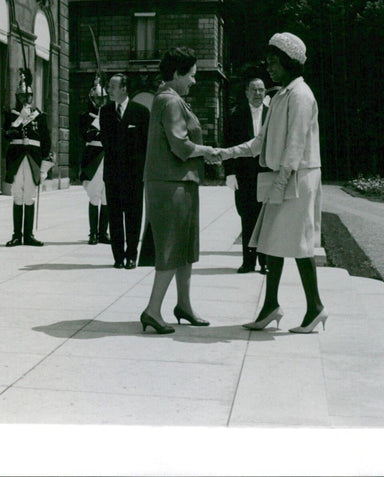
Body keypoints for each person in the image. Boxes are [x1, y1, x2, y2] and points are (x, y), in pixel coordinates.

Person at [215, 32, 325, 333]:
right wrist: (223, 153)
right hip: (286, 177)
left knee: (299, 244)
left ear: (289, 63)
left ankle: (313, 307)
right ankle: (273, 306)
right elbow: (259, 142)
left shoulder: (301, 96)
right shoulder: (280, 96)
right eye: (268, 62)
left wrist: (280, 185)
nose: (269, 68)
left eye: (274, 62)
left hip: (298, 178)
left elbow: (295, 146)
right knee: (274, 241)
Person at [139, 47, 218, 334]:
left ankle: (183, 304)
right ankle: (152, 310)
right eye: (192, 76)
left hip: (180, 182)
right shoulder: (170, 102)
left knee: (184, 248)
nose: (194, 81)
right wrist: (208, 151)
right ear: (176, 74)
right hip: (171, 183)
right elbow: (180, 145)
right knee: (172, 247)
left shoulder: (169, 99)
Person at [100, 74, 149, 269]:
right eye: (109, 86)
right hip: (112, 174)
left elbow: (146, 145)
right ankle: (118, 256)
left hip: (134, 175)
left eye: (113, 86)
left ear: (124, 88)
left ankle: (131, 255)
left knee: (133, 215)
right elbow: (106, 140)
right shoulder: (104, 112)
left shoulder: (141, 112)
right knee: (114, 216)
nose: (109, 90)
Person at [225, 76, 269, 274]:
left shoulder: (272, 115)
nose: (258, 93)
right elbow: (228, 146)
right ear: (246, 93)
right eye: (254, 89)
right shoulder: (235, 116)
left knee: (266, 219)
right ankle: (248, 262)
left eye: (261, 90)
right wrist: (230, 173)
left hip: (267, 175)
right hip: (243, 175)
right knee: (247, 217)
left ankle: (265, 263)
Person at [4, 68, 52, 247]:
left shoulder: (39, 115)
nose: (25, 100)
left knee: (30, 195)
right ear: (17, 97)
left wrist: (45, 165)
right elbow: (7, 135)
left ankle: (29, 235)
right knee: (17, 194)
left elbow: (46, 141)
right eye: (22, 97)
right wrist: (18, 121)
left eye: (28, 96)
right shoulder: (10, 114)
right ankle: (17, 235)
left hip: (33, 158)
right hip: (17, 158)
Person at [78, 79, 110, 245]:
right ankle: (93, 234)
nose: (101, 102)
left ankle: (103, 233)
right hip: (94, 156)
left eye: (103, 99)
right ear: (92, 99)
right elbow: (86, 134)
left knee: (107, 196)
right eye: (98, 99)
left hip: (108, 156)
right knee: (94, 195)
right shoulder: (85, 117)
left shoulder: (111, 115)